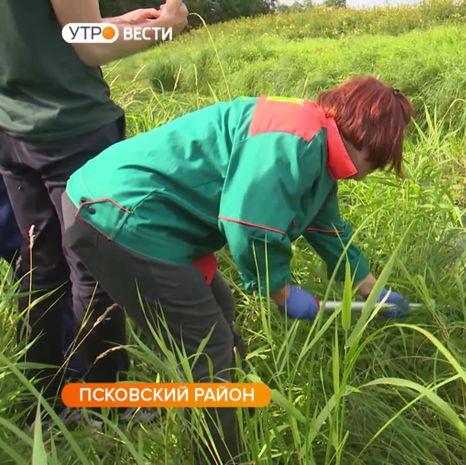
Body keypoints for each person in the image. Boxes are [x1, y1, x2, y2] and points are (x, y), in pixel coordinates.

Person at [62, 76, 413, 463]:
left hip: (127, 207)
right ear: (364, 135)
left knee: (221, 319)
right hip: (125, 217)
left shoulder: (314, 140)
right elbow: (250, 225)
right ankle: (221, 457)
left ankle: (232, 419)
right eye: (377, 160)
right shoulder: (294, 139)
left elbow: (325, 226)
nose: (373, 170)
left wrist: (368, 288)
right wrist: (281, 291)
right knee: (208, 350)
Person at [0, 0, 189, 424]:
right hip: (72, 129)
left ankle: (47, 405)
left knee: (40, 269)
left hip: (12, 131)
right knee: (96, 270)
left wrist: (119, 23)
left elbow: (45, 32)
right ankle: (106, 404)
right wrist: (167, 28)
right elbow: (87, 44)